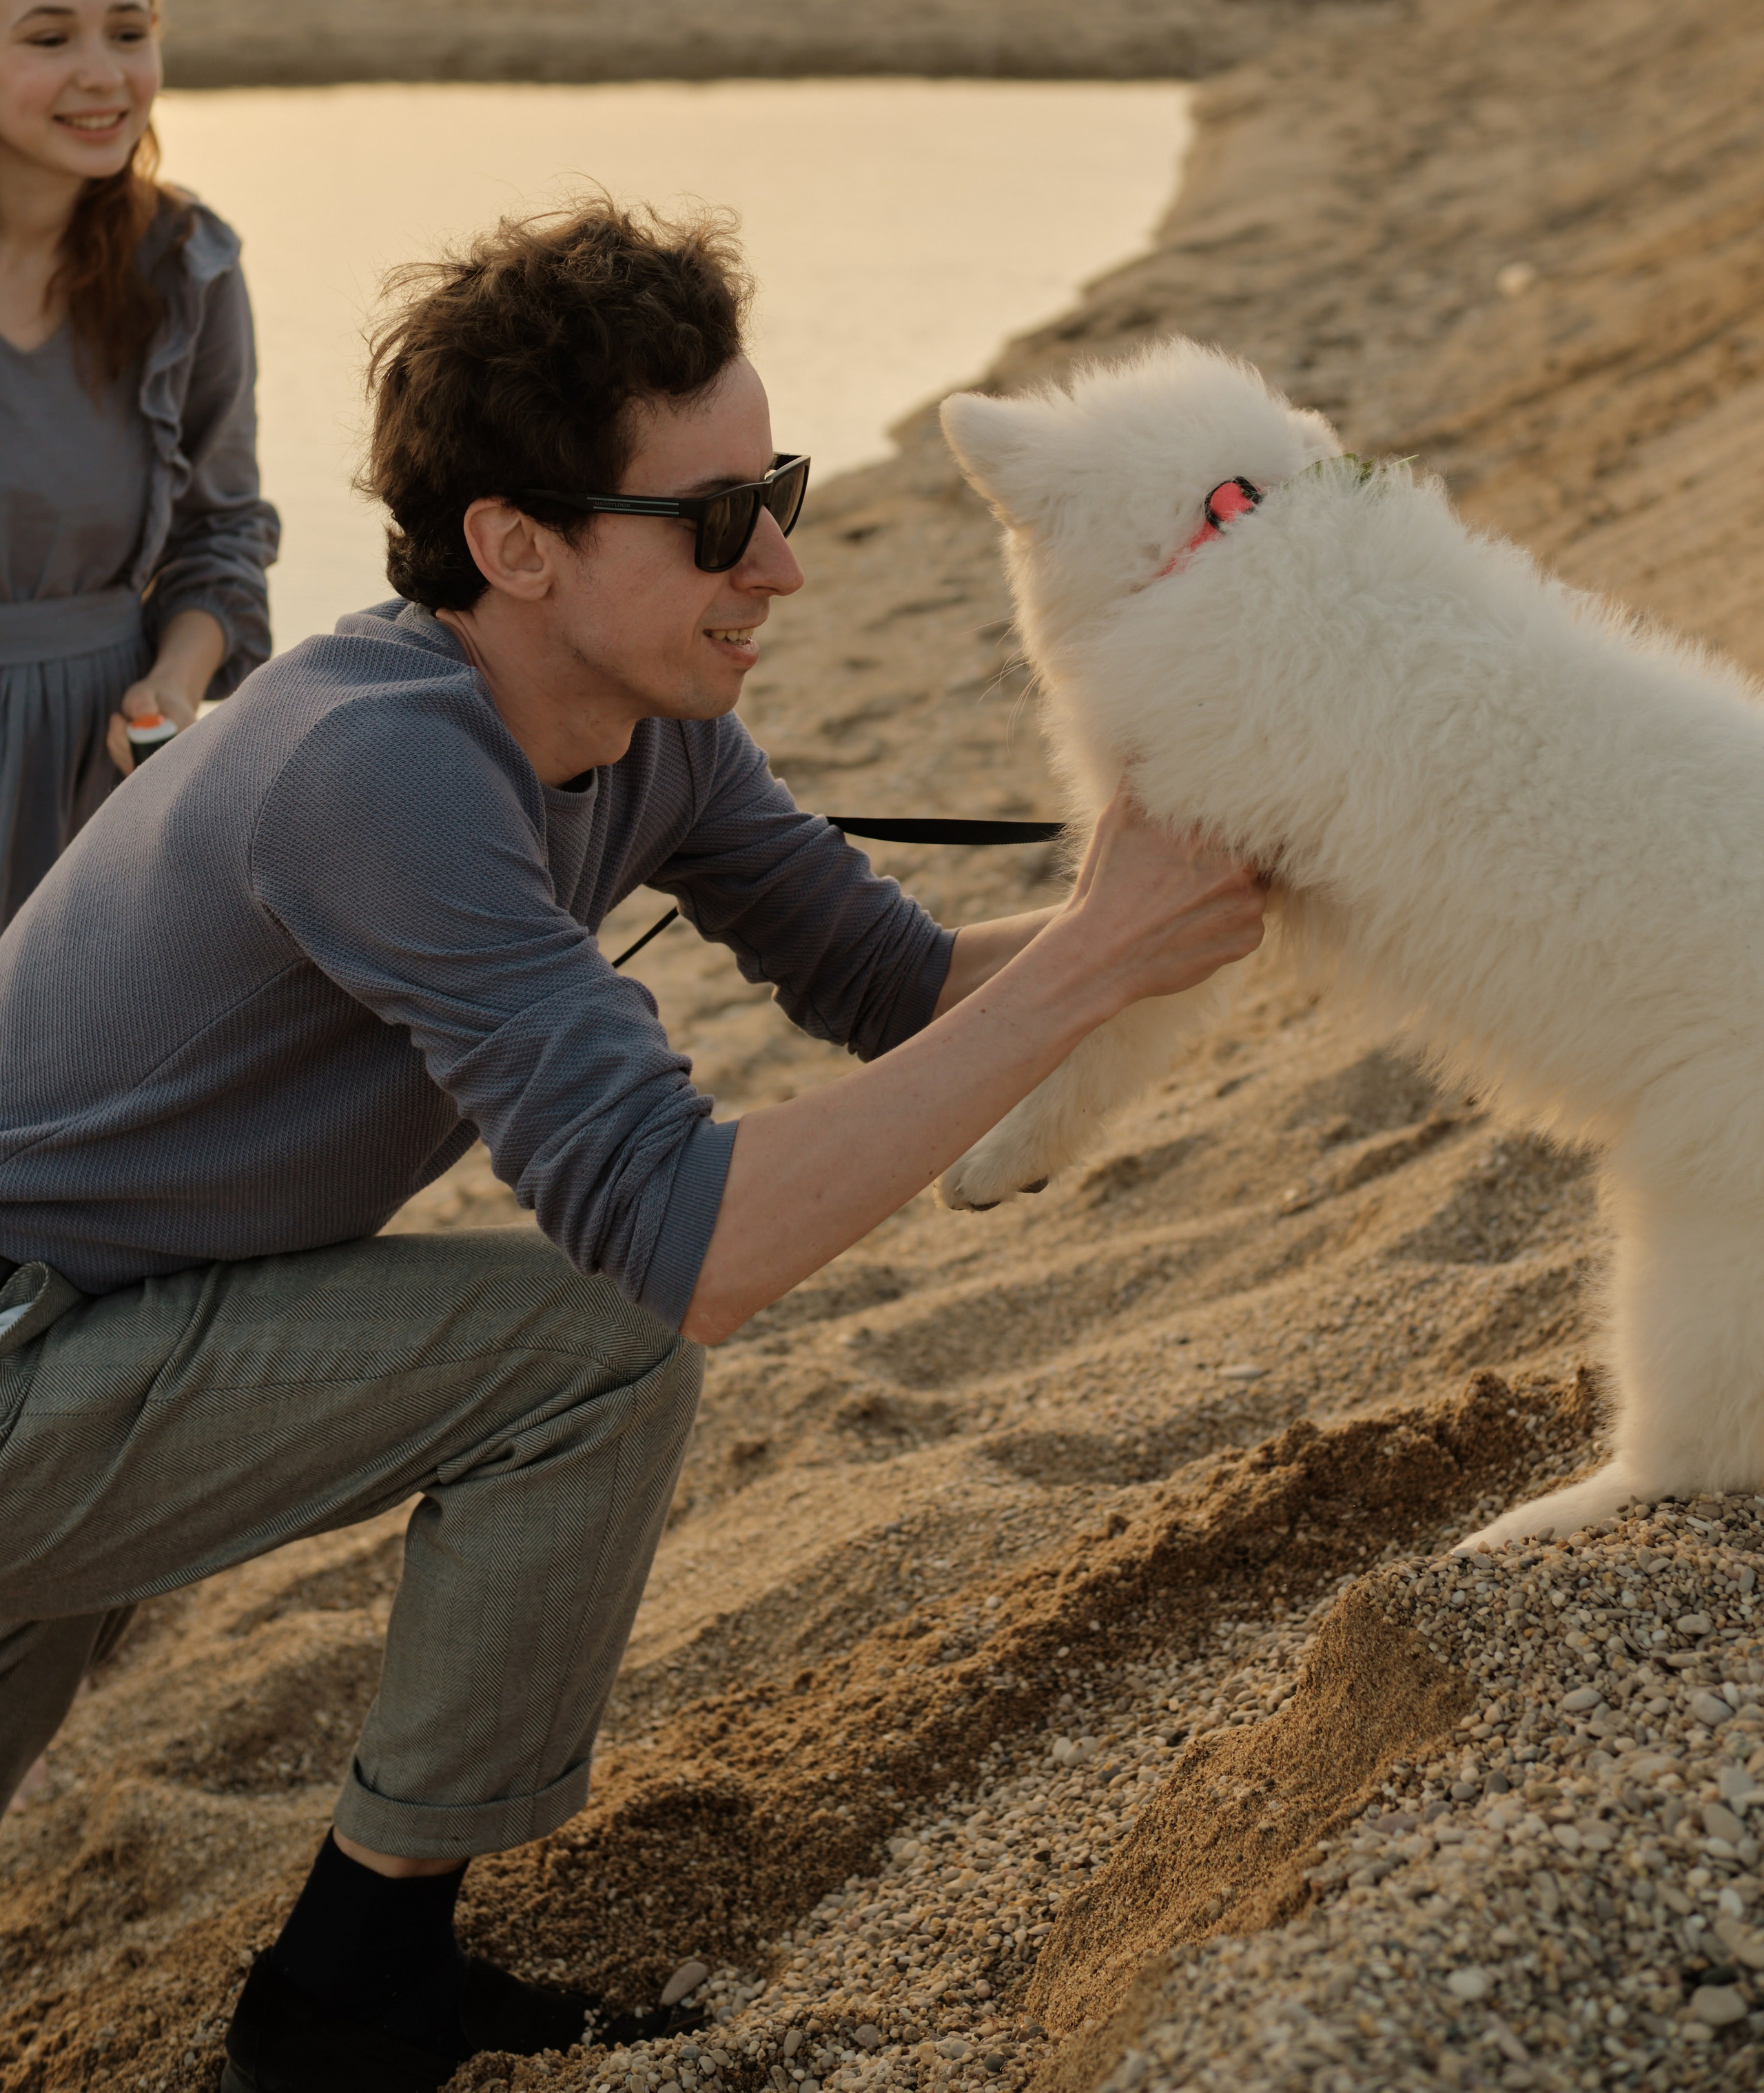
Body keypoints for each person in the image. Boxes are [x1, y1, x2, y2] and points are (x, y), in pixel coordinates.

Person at [0, 200, 1265, 2092]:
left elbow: (897, 984)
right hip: (36, 1351)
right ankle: (353, 1991)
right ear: (511, 544)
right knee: (593, 1350)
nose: (784, 567)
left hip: (122, 1338)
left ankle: (361, 1978)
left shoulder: (652, 728)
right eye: (711, 523)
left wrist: (1234, 886)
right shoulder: (382, 764)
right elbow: (699, 1246)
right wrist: (1097, 956)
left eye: (785, 489)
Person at [0, 0, 277, 927]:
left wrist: (175, 680)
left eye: (129, 33)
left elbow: (222, 527)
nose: (105, 75)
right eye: (49, 38)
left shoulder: (187, 267)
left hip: (102, 783)